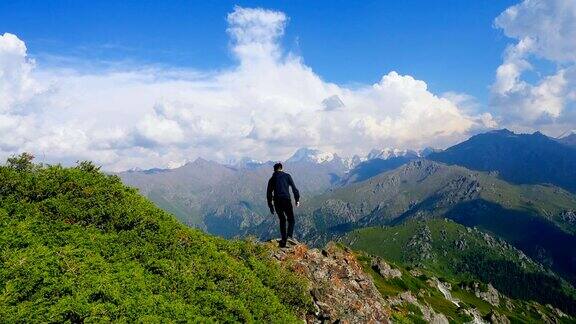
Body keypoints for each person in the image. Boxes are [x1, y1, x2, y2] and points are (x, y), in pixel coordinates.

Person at [267, 162, 300, 248]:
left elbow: (269, 193)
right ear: (281, 168)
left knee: (282, 220)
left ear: (274, 170)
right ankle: (289, 237)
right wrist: (297, 199)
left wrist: (270, 206)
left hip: (277, 202)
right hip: (286, 200)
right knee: (291, 219)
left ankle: (284, 240)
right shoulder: (287, 176)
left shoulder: (272, 179)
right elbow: (294, 188)